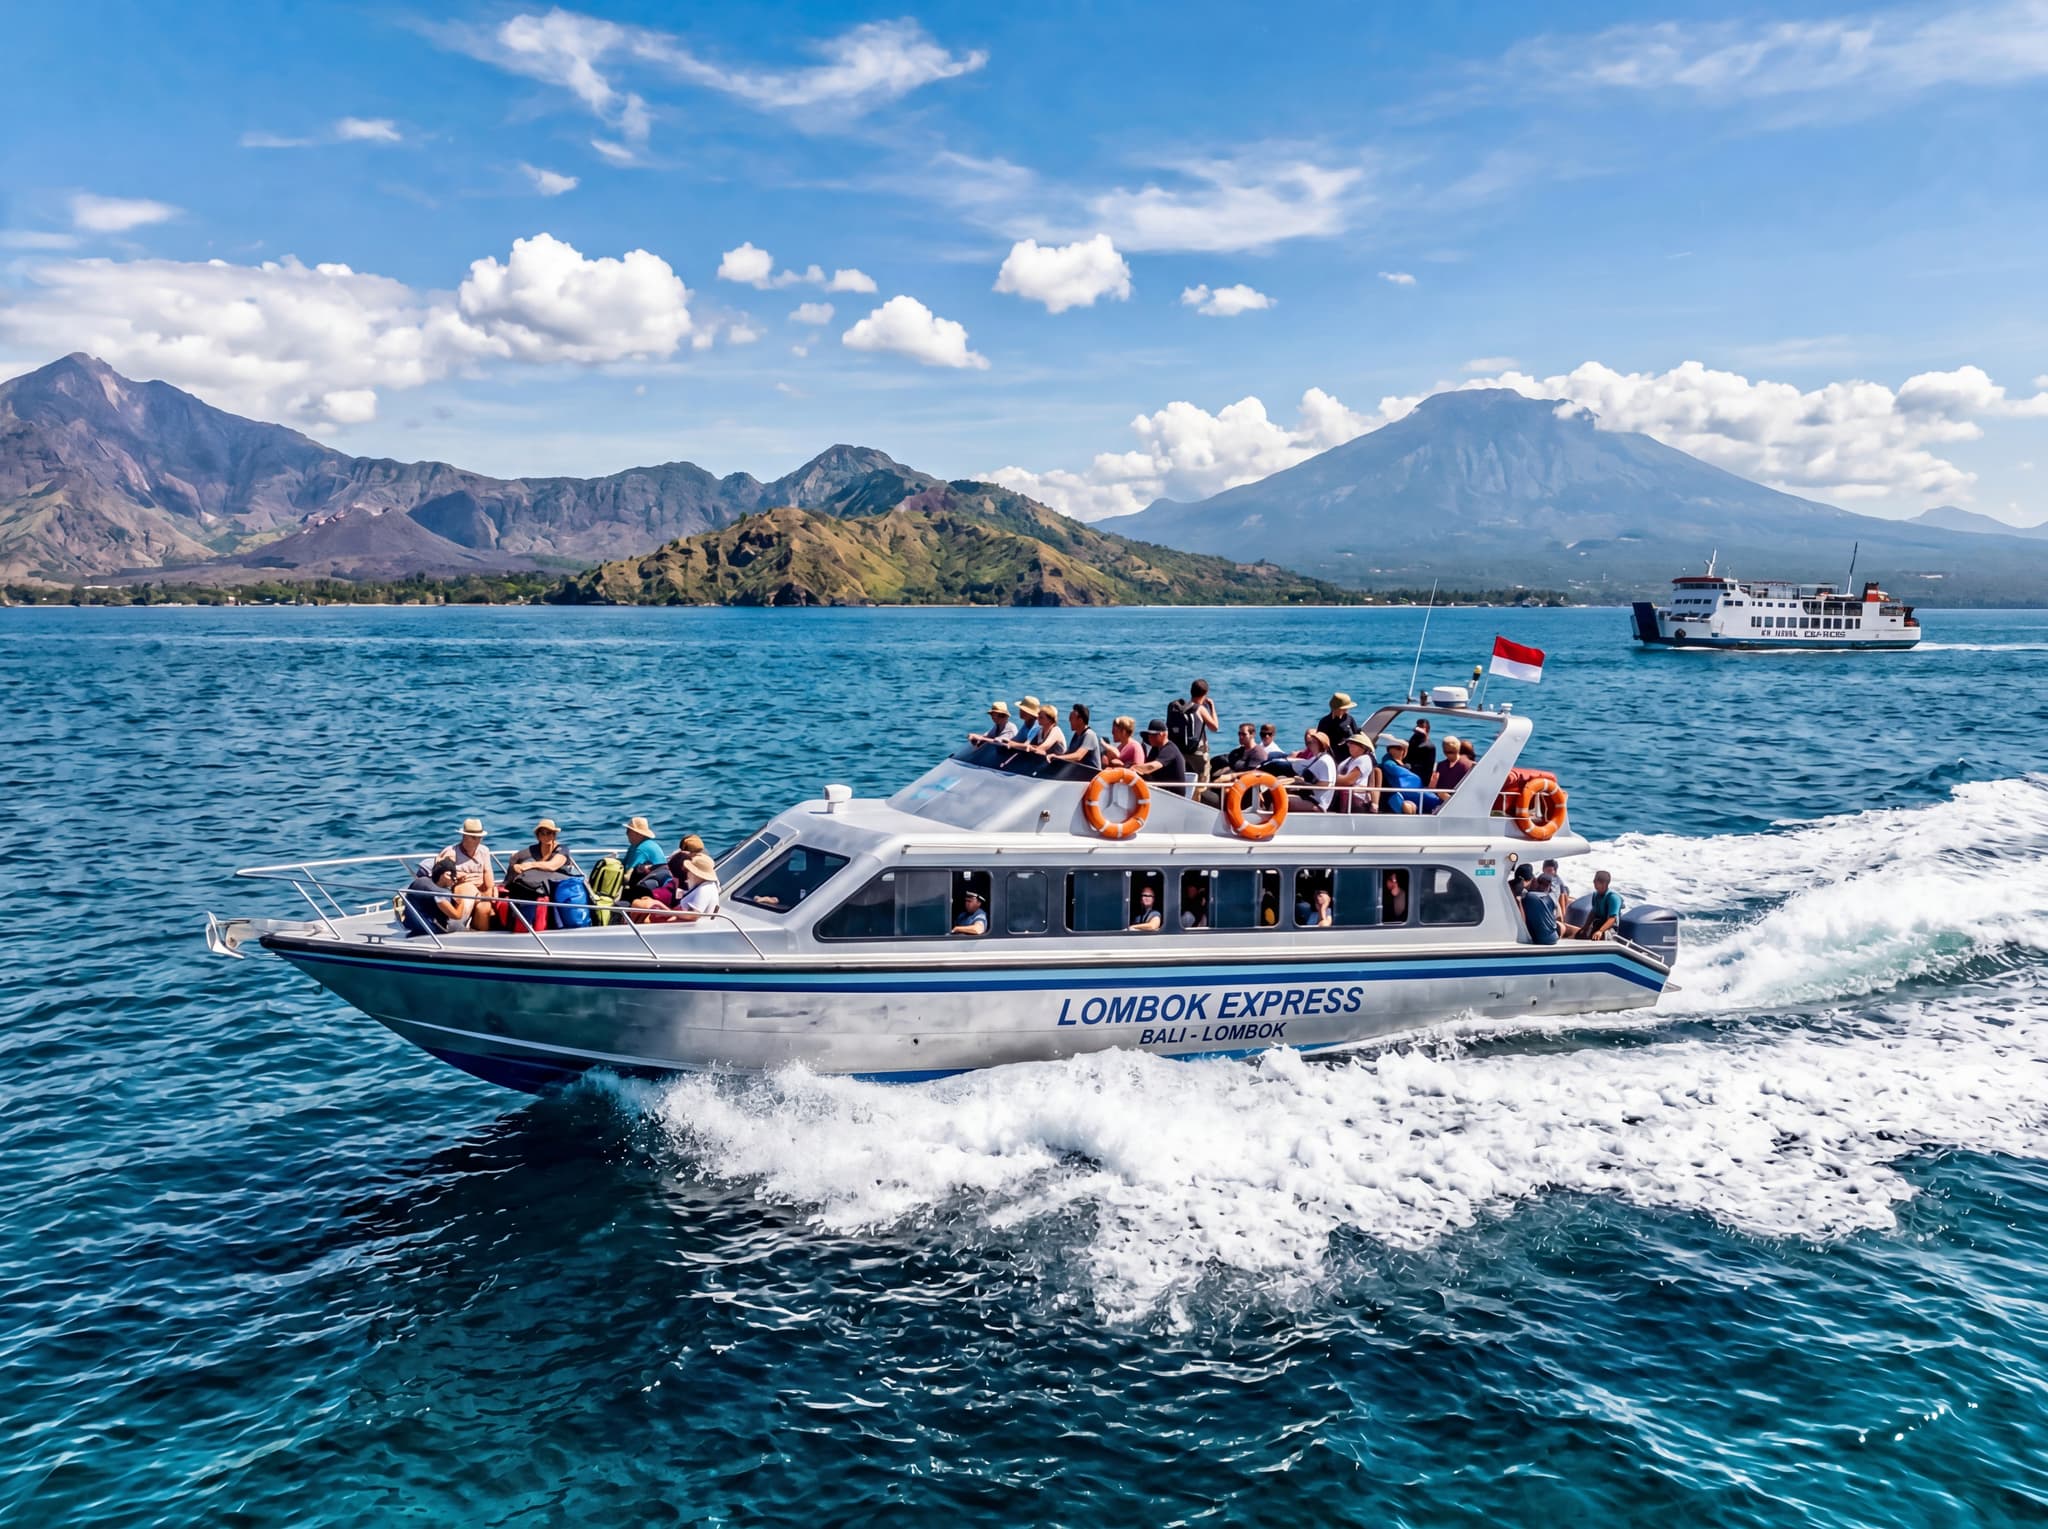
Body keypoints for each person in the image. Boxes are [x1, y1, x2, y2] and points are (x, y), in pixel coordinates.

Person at [506, 819, 578, 899]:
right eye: (542, 834)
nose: (546, 836)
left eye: (549, 833)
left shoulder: (562, 850)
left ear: (554, 835)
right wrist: (515, 864)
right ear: (538, 836)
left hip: (559, 888)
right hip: (537, 889)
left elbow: (552, 866)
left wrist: (530, 865)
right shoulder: (532, 850)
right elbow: (515, 857)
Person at [1169, 679, 1220, 781]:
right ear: (1205, 693)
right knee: (1201, 783)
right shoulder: (1200, 709)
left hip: (1182, 751)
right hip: (1197, 753)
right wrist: (1212, 706)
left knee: (1185, 779)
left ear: (1191, 691)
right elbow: (1215, 727)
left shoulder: (1182, 708)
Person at [1377, 737, 1438, 815]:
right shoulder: (1388, 764)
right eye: (1396, 748)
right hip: (1394, 795)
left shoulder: (1404, 763)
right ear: (1389, 750)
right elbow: (1406, 780)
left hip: (1408, 793)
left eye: (1401, 748)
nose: (1400, 751)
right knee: (1409, 806)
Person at [438, 818, 495, 893]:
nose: (478, 841)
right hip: (462, 889)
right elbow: (441, 875)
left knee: (486, 903)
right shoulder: (451, 852)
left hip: (481, 890)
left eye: (480, 838)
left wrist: (490, 890)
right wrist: (459, 876)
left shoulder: (484, 851)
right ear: (464, 836)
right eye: (474, 838)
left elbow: (487, 872)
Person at [1133, 719, 1188, 794]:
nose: (1150, 737)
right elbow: (1146, 769)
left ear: (1163, 735)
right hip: (1160, 788)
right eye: (1149, 735)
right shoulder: (1156, 748)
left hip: (1172, 794)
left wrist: (1132, 769)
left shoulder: (1170, 750)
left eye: (1153, 735)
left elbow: (1151, 767)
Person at [1292, 729, 1336, 812]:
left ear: (1319, 744)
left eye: (1312, 742)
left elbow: (1325, 784)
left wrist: (1303, 784)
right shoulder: (1317, 759)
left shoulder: (1325, 761)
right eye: (1309, 743)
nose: (1310, 745)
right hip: (1309, 797)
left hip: (1317, 802)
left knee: (1279, 801)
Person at [674, 849, 721, 923]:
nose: (687, 873)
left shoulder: (705, 889)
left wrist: (667, 912)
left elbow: (693, 915)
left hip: (688, 929)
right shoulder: (707, 885)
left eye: (688, 870)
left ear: (696, 874)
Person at [1052, 703, 1103, 770]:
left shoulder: (1090, 735)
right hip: (1078, 771)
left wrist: (1057, 757)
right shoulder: (1076, 735)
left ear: (1080, 720)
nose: (1069, 720)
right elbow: (1069, 754)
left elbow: (1078, 756)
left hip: (1091, 774)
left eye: (1071, 718)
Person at [1334, 732, 1376, 813]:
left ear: (1362, 747)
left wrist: (1329, 778)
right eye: (1349, 743)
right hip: (1343, 796)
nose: (1349, 745)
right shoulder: (1349, 759)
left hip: (1355, 799)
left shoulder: (1364, 759)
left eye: (1353, 743)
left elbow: (1348, 780)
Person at [1520, 872, 1561, 945]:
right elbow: (1558, 917)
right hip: (1553, 938)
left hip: (1538, 939)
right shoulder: (1552, 897)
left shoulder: (1528, 896)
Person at [1582, 870, 1623, 940]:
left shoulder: (1613, 898)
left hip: (1610, 930)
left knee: (1599, 937)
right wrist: (1585, 927)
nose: (1594, 882)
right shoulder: (1595, 895)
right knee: (1580, 934)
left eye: (1596, 881)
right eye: (1594, 880)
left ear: (1604, 884)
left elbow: (1612, 919)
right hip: (1597, 925)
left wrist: (1600, 931)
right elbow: (1593, 912)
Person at [1407, 719, 1438, 786]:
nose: (1419, 729)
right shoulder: (1413, 740)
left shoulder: (1429, 747)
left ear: (1428, 730)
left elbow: (1428, 768)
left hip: (1420, 777)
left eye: (1421, 727)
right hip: (1409, 772)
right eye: (1418, 726)